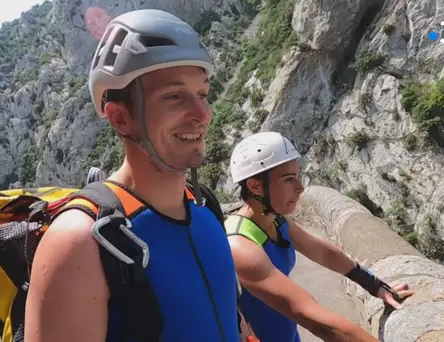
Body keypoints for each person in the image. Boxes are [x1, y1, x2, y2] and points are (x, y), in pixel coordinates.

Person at [24, 9, 240, 342]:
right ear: (121, 118)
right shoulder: (81, 243)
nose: (203, 115)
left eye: (202, 94)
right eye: (174, 97)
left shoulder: (204, 207)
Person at [226, 131, 415, 342]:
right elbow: (315, 319)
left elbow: (322, 253)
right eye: (288, 179)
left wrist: (374, 285)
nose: (300, 188)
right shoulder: (239, 246)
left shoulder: (275, 219)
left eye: (297, 176)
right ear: (255, 186)